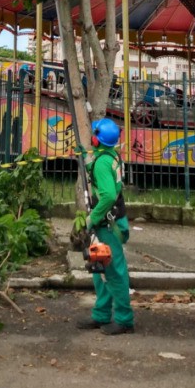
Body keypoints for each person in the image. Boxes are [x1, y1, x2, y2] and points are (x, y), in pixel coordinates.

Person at [76, 117, 135, 335]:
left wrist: (91, 219)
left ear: (97, 139)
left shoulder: (102, 162)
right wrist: (84, 157)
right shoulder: (109, 156)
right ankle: (101, 314)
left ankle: (124, 319)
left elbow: (109, 195)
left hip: (108, 223)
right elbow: (98, 170)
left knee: (114, 272)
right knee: (100, 269)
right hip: (111, 221)